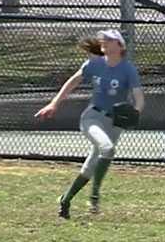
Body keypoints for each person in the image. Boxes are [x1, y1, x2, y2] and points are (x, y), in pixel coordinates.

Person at [34, 29, 144, 219]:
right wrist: (54, 103)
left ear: (120, 46)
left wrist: (136, 112)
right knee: (107, 149)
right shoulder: (94, 64)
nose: (104, 42)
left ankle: (65, 199)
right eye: (104, 39)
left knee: (91, 165)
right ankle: (94, 195)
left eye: (109, 40)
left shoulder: (128, 69)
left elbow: (139, 98)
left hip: (115, 121)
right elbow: (73, 81)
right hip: (93, 117)